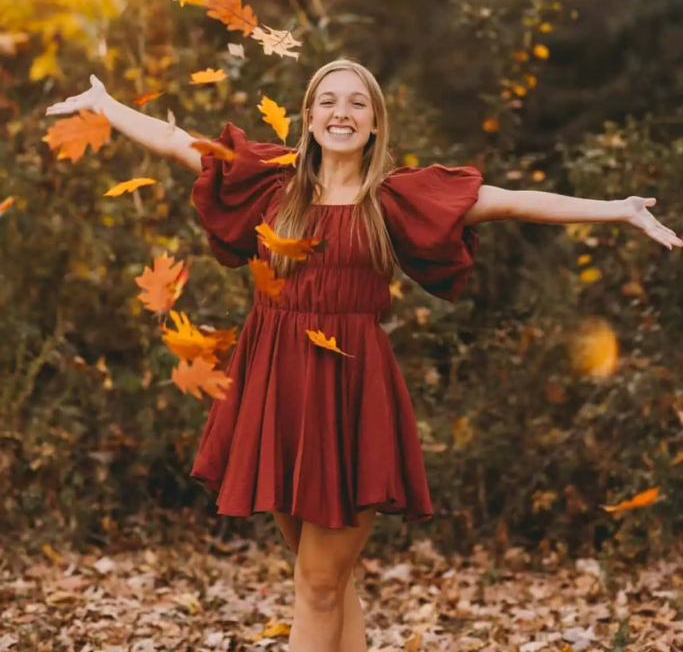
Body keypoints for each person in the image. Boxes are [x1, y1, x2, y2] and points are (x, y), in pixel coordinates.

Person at [46, 58, 681, 652]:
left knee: (319, 582)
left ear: (375, 122)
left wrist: (618, 210)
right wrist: (108, 106)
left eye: (356, 102)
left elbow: (512, 201)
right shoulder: (274, 184)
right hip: (275, 387)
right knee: (325, 578)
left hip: (349, 392)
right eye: (328, 101)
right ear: (309, 117)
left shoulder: (394, 200)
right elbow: (177, 142)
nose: (341, 112)